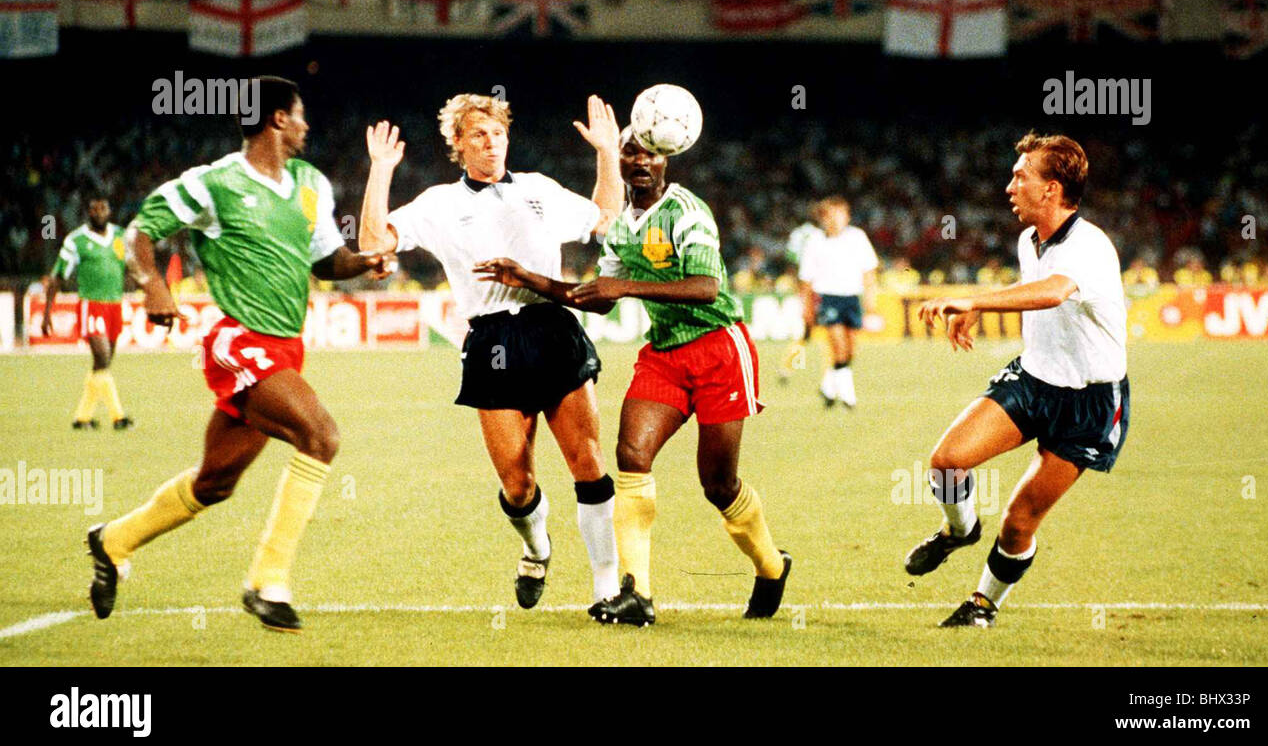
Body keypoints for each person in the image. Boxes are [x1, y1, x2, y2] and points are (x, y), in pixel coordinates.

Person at [85, 76, 390, 632]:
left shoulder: (311, 185)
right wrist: (153, 284)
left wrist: (366, 260)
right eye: (298, 115)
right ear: (276, 119)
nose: (306, 125)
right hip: (237, 340)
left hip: (286, 348)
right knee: (321, 436)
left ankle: (113, 541)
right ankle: (266, 582)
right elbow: (139, 233)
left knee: (215, 484)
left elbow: (327, 261)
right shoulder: (214, 183)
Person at [475, 127, 792, 626]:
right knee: (630, 455)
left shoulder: (687, 211)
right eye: (629, 151)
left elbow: (707, 288)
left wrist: (624, 284)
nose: (639, 159)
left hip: (718, 351)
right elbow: (597, 298)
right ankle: (637, 594)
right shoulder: (622, 226)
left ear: (666, 158)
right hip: (664, 353)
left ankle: (772, 566)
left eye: (649, 152)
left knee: (718, 484)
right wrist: (532, 280)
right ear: (619, 161)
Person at [359, 94, 624, 614]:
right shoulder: (438, 204)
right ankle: (535, 546)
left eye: (498, 132)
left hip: (552, 328)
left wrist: (608, 152)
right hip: (492, 341)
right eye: (478, 134)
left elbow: (606, 217)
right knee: (518, 483)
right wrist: (381, 170)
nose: (491, 141)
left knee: (588, 462)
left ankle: (606, 589)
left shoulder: (539, 190)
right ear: (457, 144)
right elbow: (374, 240)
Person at [911, 132, 1129, 628]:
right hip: (1033, 381)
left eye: (1021, 175)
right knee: (947, 463)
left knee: (1018, 521)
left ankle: (982, 606)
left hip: (1089, 404)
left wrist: (975, 301)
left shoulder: (1090, 245)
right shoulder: (1028, 239)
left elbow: (1053, 292)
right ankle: (959, 531)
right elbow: (1034, 290)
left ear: (1051, 189)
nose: (1010, 185)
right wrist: (979, 309)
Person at [41, 195, 134, 430]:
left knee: (103, 365)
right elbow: (57, 277)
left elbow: (133, 265)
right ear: (88, 212)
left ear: (110, 211)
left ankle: (82, 418)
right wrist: (46, 313)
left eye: (104, 208)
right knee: (101, 358)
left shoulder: (121, 236)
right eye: (95, 209)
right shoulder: (76, 240)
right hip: (91, 305)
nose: (100, 212)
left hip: (115, 304)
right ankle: (118, 417)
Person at [797, 195, 879, 408]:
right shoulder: (814, 241)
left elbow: (869, 271)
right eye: (830, 215)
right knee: (839, 346)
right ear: (822, 218)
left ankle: (828, 387)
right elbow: (805, 279)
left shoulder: (857, 237)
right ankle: (848, 395)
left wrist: (871, 304)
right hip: (827, 298)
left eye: (840, 215)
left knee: (850, 349)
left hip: (851, 297)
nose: (835, 220)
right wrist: (806, 307)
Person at [777, 205, 824, 384]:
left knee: (806, 331)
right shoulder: (821, 235)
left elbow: (790, 257)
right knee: (827, 331)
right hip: (821, 285)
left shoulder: (797, 233)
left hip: (802, 284)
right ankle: (830, 378)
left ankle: (788, 367)